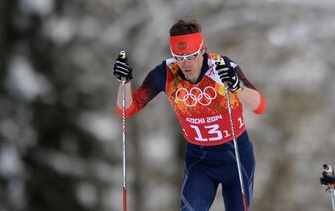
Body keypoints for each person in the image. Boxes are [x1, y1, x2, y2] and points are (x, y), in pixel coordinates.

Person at [112, 19, 267, 211]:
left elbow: (260, 106)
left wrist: (237, 87)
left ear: (203, 50)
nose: (185, 63)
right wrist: (124, 82)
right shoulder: (166, 73)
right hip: (200, 161)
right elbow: (126, 109)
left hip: (236, 157)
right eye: (178, 56)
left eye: (191, 55)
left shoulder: (221, 67)